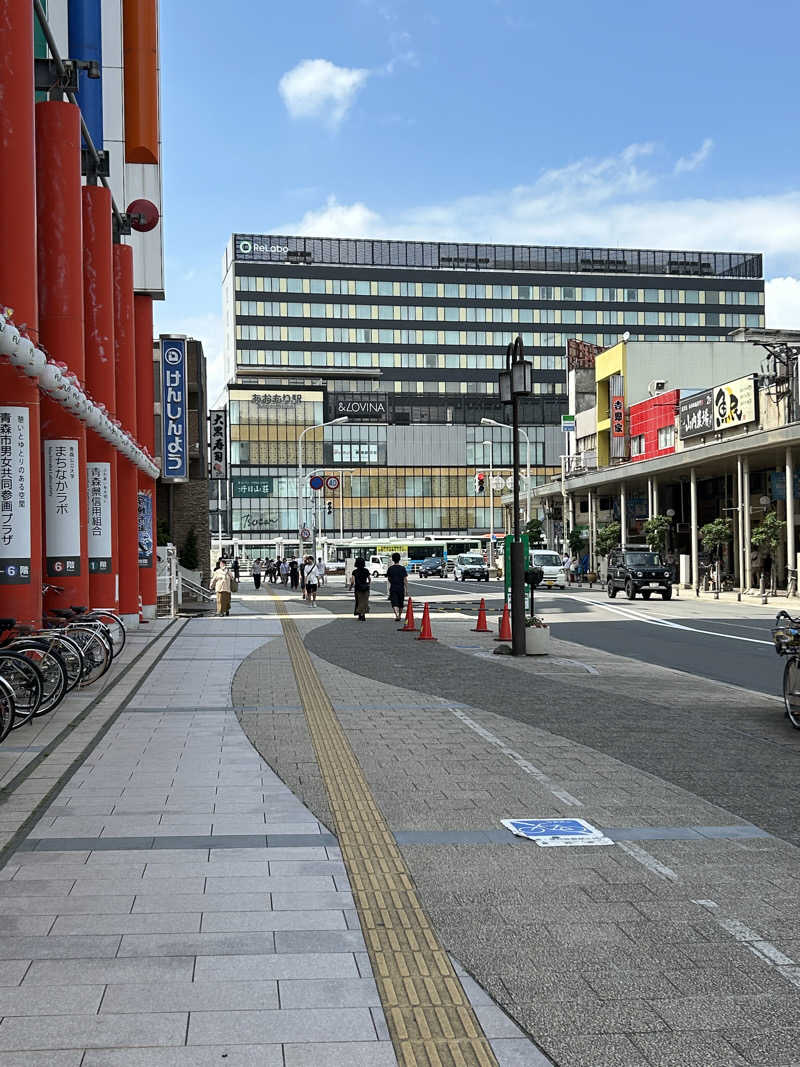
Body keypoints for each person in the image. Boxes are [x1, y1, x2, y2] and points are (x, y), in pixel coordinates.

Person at [385, 552, 408, 622]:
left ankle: (397, 615)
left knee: (394, 602)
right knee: (401, 603)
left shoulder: (390, 568)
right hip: (401, 587)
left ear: (392, 559)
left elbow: (388, 578)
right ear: (399, 559)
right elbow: (405, 580)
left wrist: (392, 582)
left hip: (393, 587)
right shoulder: (402, 568)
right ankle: (400, 615)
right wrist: (406, 589)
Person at [349, 556, 370, 621]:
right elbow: (369, 579)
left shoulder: (354, 571)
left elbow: (352, 581)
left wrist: (350, 587)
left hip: (358, 588)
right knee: (364, 601)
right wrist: (368, 584)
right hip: (365, 588)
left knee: (358, 601)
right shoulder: (366, 570)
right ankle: (363, 614)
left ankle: (360, 615)